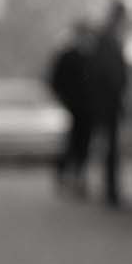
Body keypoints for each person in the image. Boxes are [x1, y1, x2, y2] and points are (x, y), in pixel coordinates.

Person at [89, 0, 129, 208]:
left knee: (110, 146)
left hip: (109, 99)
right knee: (111, 146)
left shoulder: (108, 37)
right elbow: (108, 72)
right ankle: (111, 191)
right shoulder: (108, 38)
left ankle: (111, 190)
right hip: (109, 100)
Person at [47, 20, 95, 196]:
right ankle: (67, 176)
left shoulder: (89, 56)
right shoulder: (68, 56)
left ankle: (77, 177)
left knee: (82, 142)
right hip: (73, 106)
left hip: (86, 107)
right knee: (73, 142)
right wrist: (64, 99)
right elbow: (55, 80)